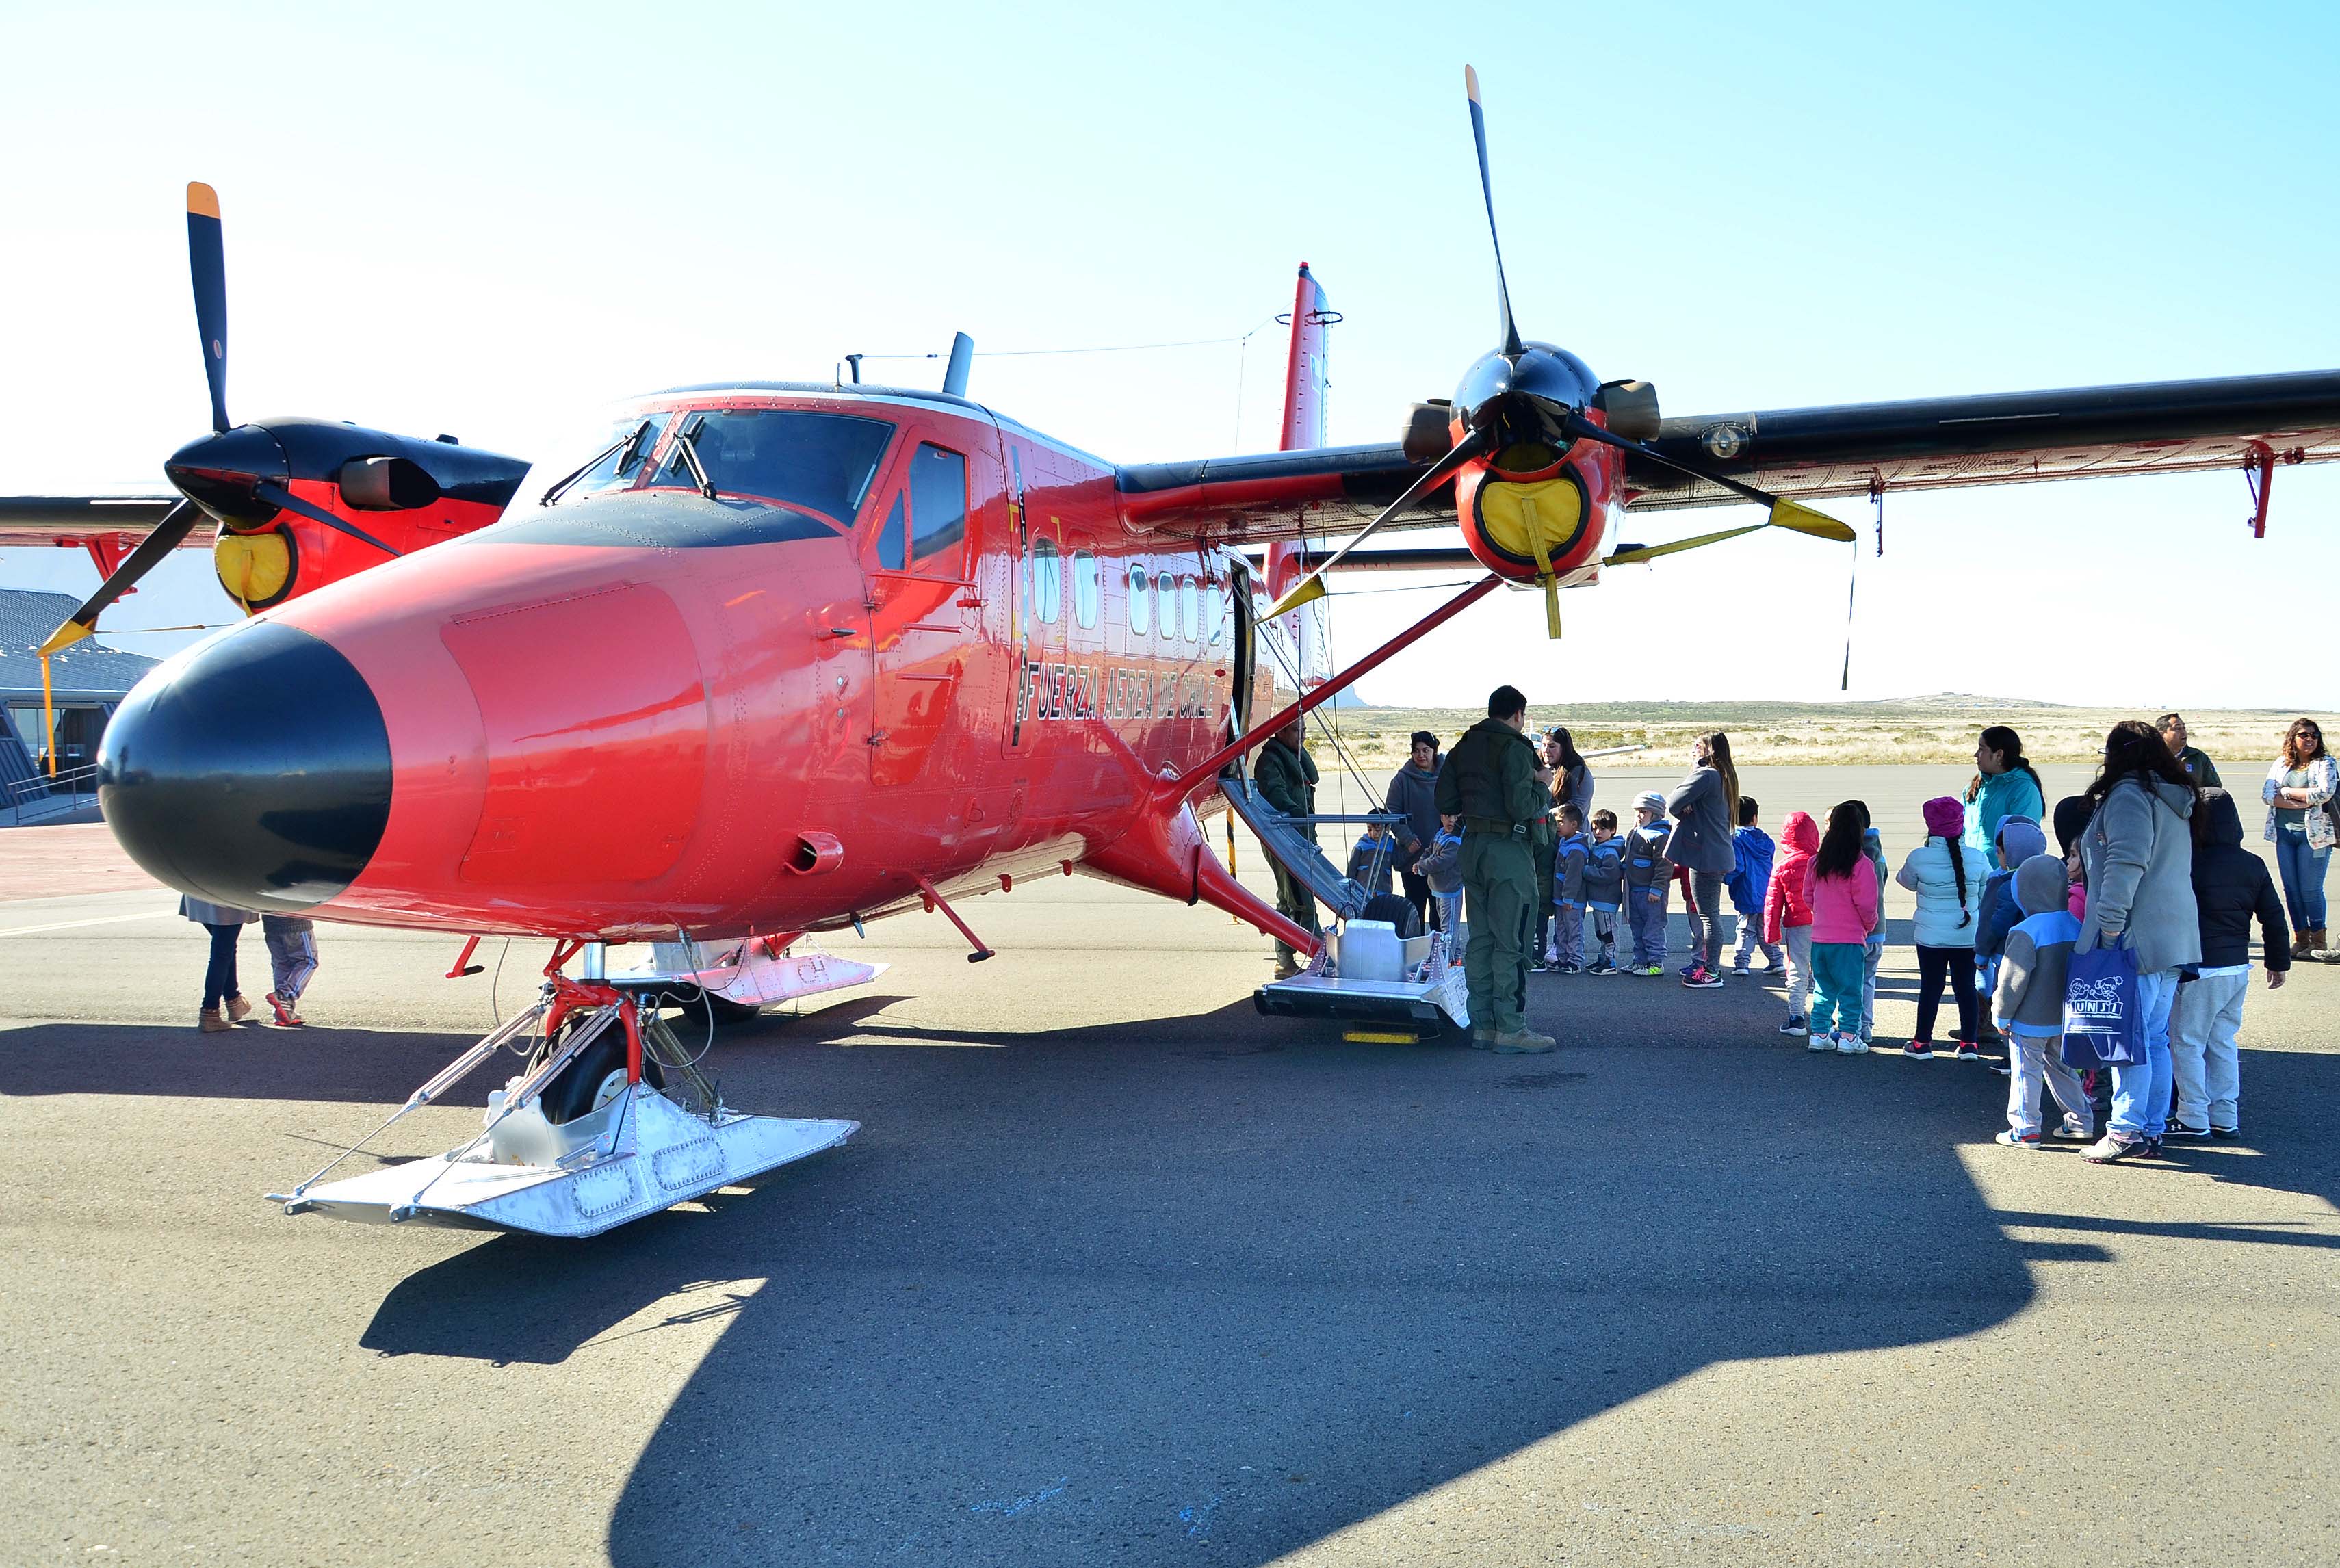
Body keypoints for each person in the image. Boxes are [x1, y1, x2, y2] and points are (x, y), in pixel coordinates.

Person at [2076, 720, 2202, 1164]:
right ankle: (2148, 1129)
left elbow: (2124, 866)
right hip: (2172, 934)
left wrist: (2108, 932)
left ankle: (2126, 1129)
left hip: (2135, 935)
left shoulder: (2130, 796)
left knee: (2125, 1039)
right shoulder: (2170, 797)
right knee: (2151, 1037)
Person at [1434, 685, 1556, 1053]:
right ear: (1518, 715)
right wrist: (1544, 788)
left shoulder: (1464, 746)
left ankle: (1483, 1026)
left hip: (1473, 849)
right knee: (1513, 941)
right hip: (1508, 852)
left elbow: (1445, 799)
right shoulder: (1515, 748)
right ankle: (1512, 1028)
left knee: (1482, 940)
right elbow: (1522, 806)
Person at [2168, 787, 2289, 1140]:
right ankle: (2225, 1114)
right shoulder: (2253, 863)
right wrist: (2277, 961)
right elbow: (2274, 918)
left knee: (2187, 1042)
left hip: (2198, 968)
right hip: (2237, 970)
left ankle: (2192, 1115)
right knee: (2222, 1042)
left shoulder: (2188, 861)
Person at [1988, 854, 2096, 1148]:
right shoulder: (2074, 923)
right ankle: (2080, 1121)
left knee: (2026, 1072)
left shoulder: (2026, 931)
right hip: (2064, 1017)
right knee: (2063, 1070)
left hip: (2029, 1020)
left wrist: (2001, 1014)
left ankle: (2025, 1128)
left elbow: (2012, 982)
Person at [1897, 796, 1990, 1061]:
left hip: (1930, 937)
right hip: (1967, 935)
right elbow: (1985, 892)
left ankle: (1922, 1043)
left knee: (1931, 987)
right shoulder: (1977, 858)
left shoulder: (1919, 857)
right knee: (1966, 987)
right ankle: (1970, 1044)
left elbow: (1906, 881)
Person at [1804, 802, 1880, 1053]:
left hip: (1820, 937)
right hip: (1849, 940)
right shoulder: (1861, 864)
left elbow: (1808, 896)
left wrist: (1823, 914)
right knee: (1851, 990)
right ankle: (1849, 1036)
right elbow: (1868, 906)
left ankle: (1819, 1033)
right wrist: (1868, 927)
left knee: (1823, 989)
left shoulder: (1817, 862)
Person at [1665, 731, 1740, 989]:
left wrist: (1695, 769)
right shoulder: (1724, 776)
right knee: (1711, 915)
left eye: (1697, 746)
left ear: (1709, 750)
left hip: (1706, 856)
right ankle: (1709, 967)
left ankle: (1711, 971)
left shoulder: (1706, 774)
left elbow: (1673, 802)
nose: (1693, 751)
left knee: (1708, 917)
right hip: (1717, 854)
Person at [2261, 716, 2337, 960]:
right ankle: (2300, 937)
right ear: (2293, 738)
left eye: (2314, 735)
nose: (2310, 740)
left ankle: (2319, 939)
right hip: (2284, 835)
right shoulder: (2282, 764)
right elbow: (2267, 794)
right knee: (2291, 890)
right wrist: (2299, 801)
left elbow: (2324, 793)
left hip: (2314, 836)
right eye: (2304, 735)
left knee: (2311, 889)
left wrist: (2288, 793)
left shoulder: (2325, 763)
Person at [1972, 814, 2047, 1058]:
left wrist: (1982, 953)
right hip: (2041, 951)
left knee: (2007, 1002)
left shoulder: (2003, 882)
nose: (1998, 856)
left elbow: (1992, 923)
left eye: (2000, 852)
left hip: (2008, 955)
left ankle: (2011, 1055)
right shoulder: (2047, 875)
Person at [1255, 719, 1322, 980]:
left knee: (1293, 895)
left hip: (1301, 834)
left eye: (1304, 730)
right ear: (1281, 732)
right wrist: (1298, 817)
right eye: (1296, 730)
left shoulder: (1294, 756)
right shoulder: (1270, 761)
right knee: (1296, 897)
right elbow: (1276, 795)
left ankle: (1287, 960)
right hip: (1284, 836)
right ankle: (1309, 954)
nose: (1302, 736)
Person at [1765, 810, 1819, 1036]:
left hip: (1798, 926)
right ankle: (1823, 1017)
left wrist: (1771, 934)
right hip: (1825, 924)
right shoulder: (1820, 862)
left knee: (1797, 972)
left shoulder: (1782, 866)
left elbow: (1772, 904)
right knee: (1822, 973)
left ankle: (1797, 1017)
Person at [1386, 731, 1444, 932]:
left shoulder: (1446, 777)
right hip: (1413, 857)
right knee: (1415, 909)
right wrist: (1407, 838)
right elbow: (1391, 813)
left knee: (1439, 910)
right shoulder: (1401, 780)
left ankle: (1438, 956)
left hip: (1440, 857)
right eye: (1417, 751)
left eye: (1426, 750)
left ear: (1434, 751)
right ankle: (1415, 954)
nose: (1421, 755)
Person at [1962, 725, 2046, 860]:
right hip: (1972, 871)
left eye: (1982, 749)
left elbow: (2020, 842)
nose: (1976, 755)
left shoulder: (2024, 790)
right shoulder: (1975, 787)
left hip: (2000, 875)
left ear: (1999, 755)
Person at [182, 894, 258, 1032]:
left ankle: (233, 1000)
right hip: (226, 896)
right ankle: (210, 1010)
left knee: (225, 948)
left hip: (199, 892)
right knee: (222, 952)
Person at [1622, 791, 1674, 978]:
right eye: (1637, 811)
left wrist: (1657, 888)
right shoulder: (1636, 831)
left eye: (1644, 811)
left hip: (1652, 893)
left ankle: (1656, 962)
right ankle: (1640, 961)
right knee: (1637, 927)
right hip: (1634, 890)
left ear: (1656, 813)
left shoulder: (1661, 835)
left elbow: (1665, 866)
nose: (1639, 815)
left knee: (1653, 928)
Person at [1728, 796, 1782, 976]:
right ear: (1755, 818)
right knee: (1764, 928)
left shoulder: (1736, 840)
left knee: (1745, 929)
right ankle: (1776, 959)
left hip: (1746, 890)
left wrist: (1724, 878)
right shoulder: (1766, 841)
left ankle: (1742, 963)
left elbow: (1738, 866)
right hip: (1767, 891)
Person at [1529, 731, 1563, 972]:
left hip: (1539, 885)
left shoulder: (1544, 819)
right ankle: (1534, 955)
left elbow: (1543, 846)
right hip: (1536, 881)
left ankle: (1538, 957)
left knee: (1537, 925)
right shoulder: (1545, 815)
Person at [1581, 809, 1625, 974]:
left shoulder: (1610, 852)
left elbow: (1609, 875)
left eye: (1603, 829)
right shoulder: (1598, 848)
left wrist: (1586, 871)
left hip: (1607, 900)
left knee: (1608, 932)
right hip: (1598, 899)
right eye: (1595, 829)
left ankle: (1610, 961)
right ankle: (1603, 958)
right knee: (1601, 932)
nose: (1597, 833)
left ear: (1613, 830)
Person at [1858, 813, 1888, 1045]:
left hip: (1857, 930)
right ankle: (1866, 1026)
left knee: (1852, 981)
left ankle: (1853, 1026)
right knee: (1869, 980)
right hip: (1879, 928)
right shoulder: (1879, 857)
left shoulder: (1853, 857)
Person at [261, 913, 319, 1028]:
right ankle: (285, 994)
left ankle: (284, 1012)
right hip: (296, 923)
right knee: (308, 962)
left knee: (282, 966)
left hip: (271, 924)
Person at [1550, 803, 1589, 973]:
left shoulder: (1577, 849)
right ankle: (1563, 957)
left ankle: (1574, 960)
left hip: (1571, 900)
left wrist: (1569, 898)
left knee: (1574, 930)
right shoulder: (1565, 842)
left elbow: (1573, 877)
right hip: (1561, 898)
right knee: (1561, 929)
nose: (1558, 826)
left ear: (1574, 824)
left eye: (1561, 822)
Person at [1416, 813, 1466, 941]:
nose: (1452, 821)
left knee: (1448, 930)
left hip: (1450, 891)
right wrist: (1420, 863)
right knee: (1446, 924)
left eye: (1456, 817)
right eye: (1448, 816)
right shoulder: (1440, 834)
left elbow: (1441, 862)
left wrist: (1422, 867)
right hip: (1438, 889)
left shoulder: (1456, 841)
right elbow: (1429, 851)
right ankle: (1455, 957)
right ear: (1441, 818)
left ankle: (1447, 958)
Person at [2158, 712, 2222, 788]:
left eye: (2184, 728)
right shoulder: (2152, 757)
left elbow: (2214, 787)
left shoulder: (2198, 757)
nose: (2183, 732)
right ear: (2162, 734)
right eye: (2178, 728)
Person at [1544, 726, 1596, 820]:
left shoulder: (1579, 772)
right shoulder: (1543, 769)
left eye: (1552, 746)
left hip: (1573, 833)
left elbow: (1575, 809)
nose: (1546, 750)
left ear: (1564, 748)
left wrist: (1544, 814)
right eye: (1544, 745)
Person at [1346, 821, 1396, 899]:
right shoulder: (1361, 846)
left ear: (1386, 828)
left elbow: (1399, 862)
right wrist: (1350, 889)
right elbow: (1351, 870)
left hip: (1384, 892)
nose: (1373, 833)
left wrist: (1409, 851)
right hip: (1362, 892)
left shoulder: (1390, 844)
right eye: (1369, 829)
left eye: (1377, 830)